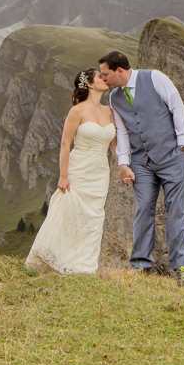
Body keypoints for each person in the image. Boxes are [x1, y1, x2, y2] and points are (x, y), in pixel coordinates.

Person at [98, 50, 184, 286]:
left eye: (105, 74)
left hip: (171, 156)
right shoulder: (114, 98)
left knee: (175, 211)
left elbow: (177, 107)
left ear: (120, 70)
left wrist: (183, 145)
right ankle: (140, 266)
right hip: (141, 162)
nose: (103, 79)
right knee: (144, 209)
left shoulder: (155, 78)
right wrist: (123, 163)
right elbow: (122, 132)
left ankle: (181, 270)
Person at [25, 68, 116, 275]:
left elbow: (114, 146)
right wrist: (64, 176)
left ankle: (86, 265)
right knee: (72, 212)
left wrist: (124, 166)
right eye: (100, 77)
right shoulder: (77, 111)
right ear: (90, 84)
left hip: (100, 171)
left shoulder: (109, 111)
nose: (104, 78)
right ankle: (61, 259)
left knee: (94, 216)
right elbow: (65, 144)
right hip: (79, 168)